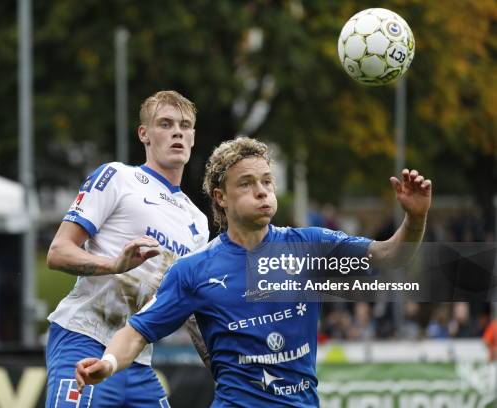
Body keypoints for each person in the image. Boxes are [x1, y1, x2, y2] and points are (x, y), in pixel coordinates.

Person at [75, 137, 432, 407]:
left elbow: (388, 257)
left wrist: (415, 219)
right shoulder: (195, 270)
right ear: (220, 198)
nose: (261, 191)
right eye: (246, 183)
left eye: (266, 182)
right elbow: (136, 332)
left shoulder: (309, 245)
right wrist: (108, 363)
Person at [45, 90, 210, 407]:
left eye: (185, 125)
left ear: (192, 137)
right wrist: (114, 265)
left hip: (136, 357)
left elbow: (189, 309)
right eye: (165, 123)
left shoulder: (198, 222)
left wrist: (221, 367)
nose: (177, 131)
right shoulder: (118, 177)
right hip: (83, 338)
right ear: (144, 134)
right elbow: (58, 252)